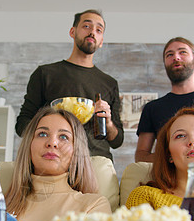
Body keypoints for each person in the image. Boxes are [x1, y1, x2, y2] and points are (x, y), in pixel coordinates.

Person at [15, 9, 124, 161]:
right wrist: (46, 131)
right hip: (54, 160)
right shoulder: (45, 74)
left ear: (101, 42)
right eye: (86, 26)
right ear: (73, 32)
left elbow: (117, 141)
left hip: (97, 163)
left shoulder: (110, 83)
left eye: (98, 30)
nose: (92, 32)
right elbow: (22, 124)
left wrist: (109, 122)